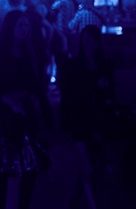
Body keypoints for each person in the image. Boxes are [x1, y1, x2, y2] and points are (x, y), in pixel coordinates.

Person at [0, 10, 47, 209]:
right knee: (3, 167)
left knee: (30, 166)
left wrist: (20, 96)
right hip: (5, 117)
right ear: (10, 28)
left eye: (26, 25)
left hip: (25, 114)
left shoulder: (29, 52)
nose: (24, 29)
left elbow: (35, 83)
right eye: (20, 25)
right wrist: (12, 99)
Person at [59, 25, 114, 209]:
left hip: (97, 121)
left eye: (93, 39)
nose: (89, 43)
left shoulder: (104, 66)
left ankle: (76, 199)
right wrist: (65, 122)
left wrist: (105, 89)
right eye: (86, 39)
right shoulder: (74, 65)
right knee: (89, 167)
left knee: (88, 165)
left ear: (98, 42)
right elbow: (70, 95)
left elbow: (110, 94)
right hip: (79, 119)